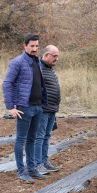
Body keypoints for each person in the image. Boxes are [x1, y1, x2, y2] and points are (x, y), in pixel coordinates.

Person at [2, 34, 48, 183]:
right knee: (21, 139)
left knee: (32, 139)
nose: (34, 49)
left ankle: (32, 169)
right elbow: (7, 83)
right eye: (32, 46)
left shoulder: (37, 62)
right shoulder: (17, 62)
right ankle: (21, 171)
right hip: (24, 108)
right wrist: (10, 107)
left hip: (37, 107)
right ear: (25, 46)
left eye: (36, 46)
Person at [34, 45, 61, 174]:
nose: (56, 58)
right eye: (54, 56)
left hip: (51, 109)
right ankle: (37, 164)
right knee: (39, 137)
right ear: (46, 55)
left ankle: (44, 162)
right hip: (43, 109)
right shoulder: (38, 68)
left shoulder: (49, 69)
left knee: (46, 136)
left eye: (57, 56)